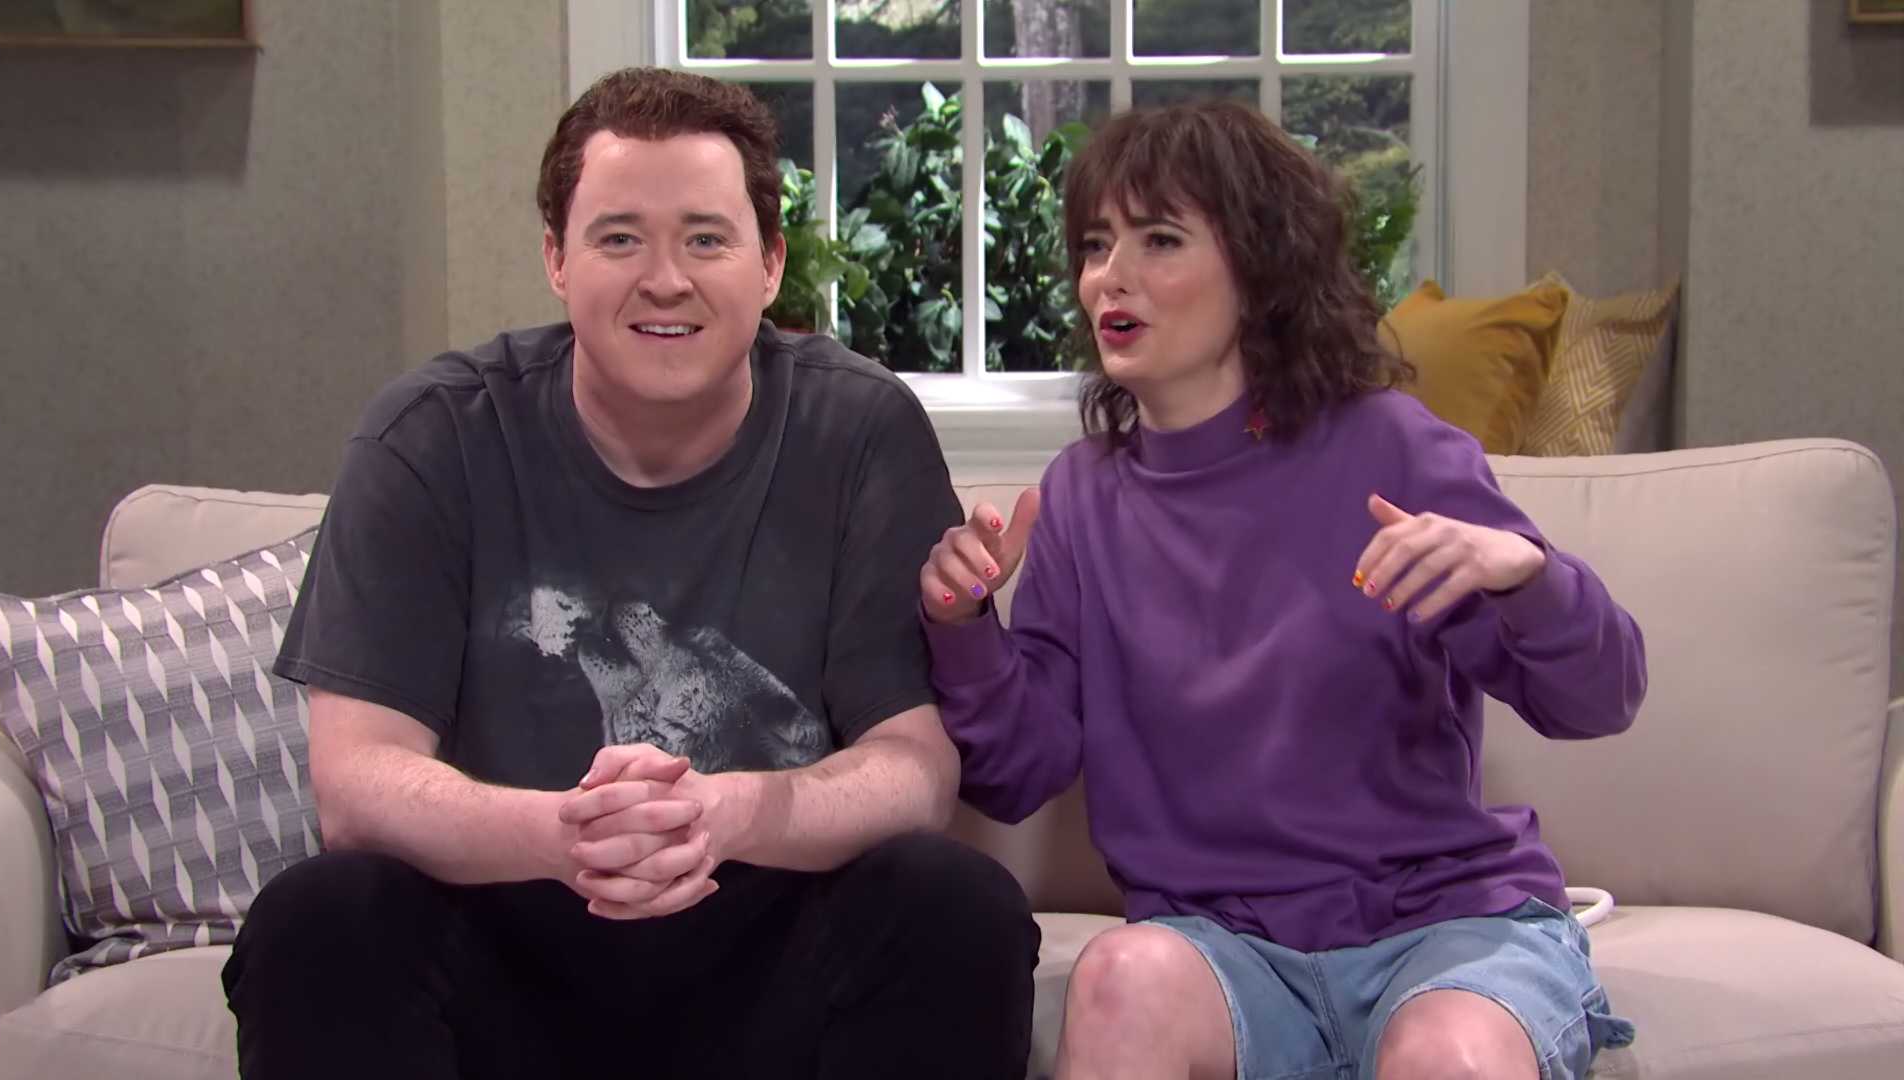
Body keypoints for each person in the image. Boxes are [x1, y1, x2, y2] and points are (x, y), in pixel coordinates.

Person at [222, 68, 1039, 1080]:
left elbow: (915, 769)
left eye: (705, 239)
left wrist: (718, 817)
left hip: (767, 946)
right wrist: (570, 835)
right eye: (619, 239)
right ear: (556, 259)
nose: (665, 279)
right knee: (320, 917)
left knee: (956, 906)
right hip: (507, 946)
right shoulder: (430, 435)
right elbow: (355, 783)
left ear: (770, 263)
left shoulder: (860, 429)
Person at [920, 99, 1644, 1080]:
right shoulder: (1082, 498)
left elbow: (1599, 699)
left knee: (1449, 1058)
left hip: (1444, 932)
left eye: (1159, 239)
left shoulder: (1393, 448)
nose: (1109, 277)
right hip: (1226, 951)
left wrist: (1526, 577)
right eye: (1095, 245)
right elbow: (1021, 771)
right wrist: (964, 625)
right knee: (1120, 980)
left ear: (1261, 270)